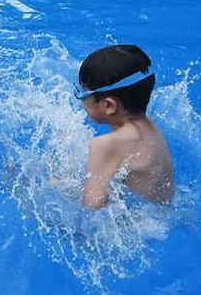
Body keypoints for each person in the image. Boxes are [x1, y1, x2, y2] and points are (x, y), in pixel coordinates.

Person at [74, 45, 174, 210]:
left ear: (109, 106)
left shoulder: (105, 145)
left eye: (83, 94)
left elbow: (91, 210)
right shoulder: (149, 126)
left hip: (129, 227)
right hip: (158, 216)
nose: (81, 101)